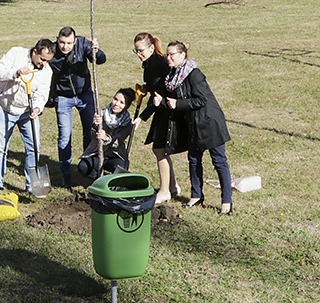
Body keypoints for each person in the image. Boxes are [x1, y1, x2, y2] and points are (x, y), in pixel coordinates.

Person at [156, 41, 233, 215]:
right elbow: (173, 103)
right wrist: (162, 102)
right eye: (167, 54)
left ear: (182, 55)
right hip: (192, 124)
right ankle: (196, 195)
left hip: (209, 123)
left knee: (219, 161)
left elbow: (201, 100)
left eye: (172, 54)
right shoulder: (173, 76)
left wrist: (178, 103)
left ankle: (226, 201)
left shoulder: (194, 74)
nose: (168, 57)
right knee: (194, 160)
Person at [0, 39, 56, 192]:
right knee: (0, 148)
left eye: (47, 61)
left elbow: (42, 94)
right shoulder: (16, 53)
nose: (44, 64)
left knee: (34, 147)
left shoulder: (47, 71)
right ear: (35, 52)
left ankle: (32, 185)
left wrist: (38, 108)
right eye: (42, 59)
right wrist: (16, 73)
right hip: (5, 107)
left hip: (27, 112)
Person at [48, 26, 106, 187]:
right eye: (61, 42)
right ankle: (66, 172)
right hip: (63, 97)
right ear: (57, 40)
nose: (65, 46)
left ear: (75, 41)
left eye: (68, 43)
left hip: (84, 94)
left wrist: (97, 50)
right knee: (64, 136)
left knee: (91, 131)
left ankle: (89, 169)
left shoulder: (83, 44)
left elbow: (101, 60)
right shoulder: (53, 52)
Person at [131, 32, 183, 204]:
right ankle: (173, 186)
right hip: (162, 108)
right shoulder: (150, 63)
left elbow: (159, 96)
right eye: (136, 51)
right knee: (160, 150)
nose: (139, 54)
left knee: (160, 149)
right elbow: (157, 87)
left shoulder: (156, 64)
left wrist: (142, 118)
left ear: (151, 47)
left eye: (141, 51)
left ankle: (164, 191)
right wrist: (148, 87)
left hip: (167, 110)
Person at [77, 88, 135, 179]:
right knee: (83, 167)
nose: (116, 104)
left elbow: (118, 140)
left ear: (127, 106)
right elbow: (92, 135)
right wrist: (96, 126)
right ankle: (98, 180)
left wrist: (106, 138)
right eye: (115, 99)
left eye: (121, 102)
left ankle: (111, 183)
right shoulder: (101, 114)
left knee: (121, 168)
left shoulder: (128, 122)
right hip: (97, 153)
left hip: (115, 155)